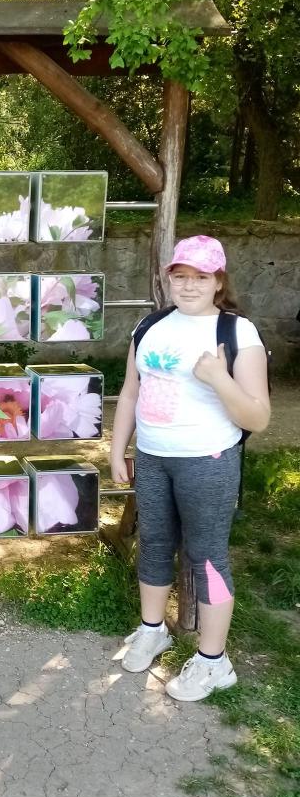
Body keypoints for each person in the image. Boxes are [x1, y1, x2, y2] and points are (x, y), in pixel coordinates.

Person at [110, 235, 270, 701]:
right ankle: (152, 630)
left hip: (208, 461)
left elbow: (258, 417)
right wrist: (119, 449)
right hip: (153, 458)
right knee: (155, 543)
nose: (189, 285)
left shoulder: (237, 333)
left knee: (206, 555)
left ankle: (214, 662)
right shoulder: (149, 325)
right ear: (169, 279)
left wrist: (218, 377)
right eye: (180, 275)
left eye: (201, 276)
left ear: (219, 281)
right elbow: (132, 392)